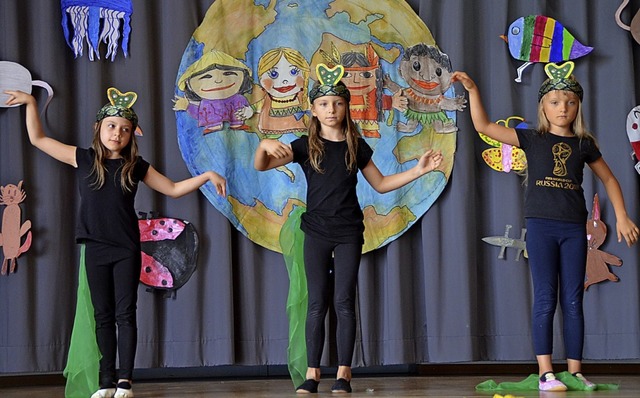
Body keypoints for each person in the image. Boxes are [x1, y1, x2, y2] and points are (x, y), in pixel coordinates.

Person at [5, 87, 227, 398]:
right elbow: (38, 140)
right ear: (98, 128)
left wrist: (207, 175)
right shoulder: (82, 158)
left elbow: (174, 189)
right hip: (95, 247)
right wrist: (30, 102)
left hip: (125, 248)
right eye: (111, 126)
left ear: (131, 135)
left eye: (124, 129)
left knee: (126, 313)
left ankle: (125, 381)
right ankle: (106, 381)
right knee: (103, 315)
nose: (117, 134)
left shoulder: (135, 167)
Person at [254, 64, 443, 394]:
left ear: (346, 107)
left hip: (348, 233)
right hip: (315, 231)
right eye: (324, 104)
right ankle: (312, 373)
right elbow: (263, 164)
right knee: (317, 303)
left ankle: (344, 372)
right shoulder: (304, 145)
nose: (331, 110)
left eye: (338, 103)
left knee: (343, 301)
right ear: (314, 109)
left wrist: (419, 170)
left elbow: (382, 184)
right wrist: (262, 147)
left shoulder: (356, 146)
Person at [451, 65, 639, 392]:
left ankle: (576, 370)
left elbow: (608, 178)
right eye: (554, 102)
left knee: (572, 299)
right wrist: (472, 90)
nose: (562, 108)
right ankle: (546, 372)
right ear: (543, 107)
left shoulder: (584, 144)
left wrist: (621, 215)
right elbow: (483, 125)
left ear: (578, 106)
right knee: (545, 297)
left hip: (572, 230)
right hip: (541, 227)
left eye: (569, 102)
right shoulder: (532, 138)